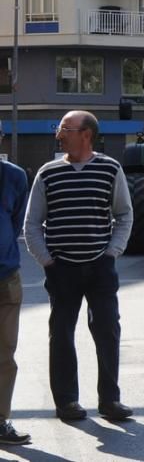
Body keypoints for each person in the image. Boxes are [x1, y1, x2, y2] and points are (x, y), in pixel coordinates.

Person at [23, 111, 134, 422]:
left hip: (100, 267)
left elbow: (124, 215)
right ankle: (67, 403)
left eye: (65, 129)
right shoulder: (48, 173)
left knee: (108, 330)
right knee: (61, 334)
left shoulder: (110, 169)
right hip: (62, 270)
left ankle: (110, 400)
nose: (59, 134)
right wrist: (46, 260)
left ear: (86, 134)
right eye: (60, 128)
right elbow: (32, 223)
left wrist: (113, 251)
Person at [0, 120, 30, 445]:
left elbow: (15, 221)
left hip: (6, 276)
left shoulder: (15, 176)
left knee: (5, 354)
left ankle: (0, 421)